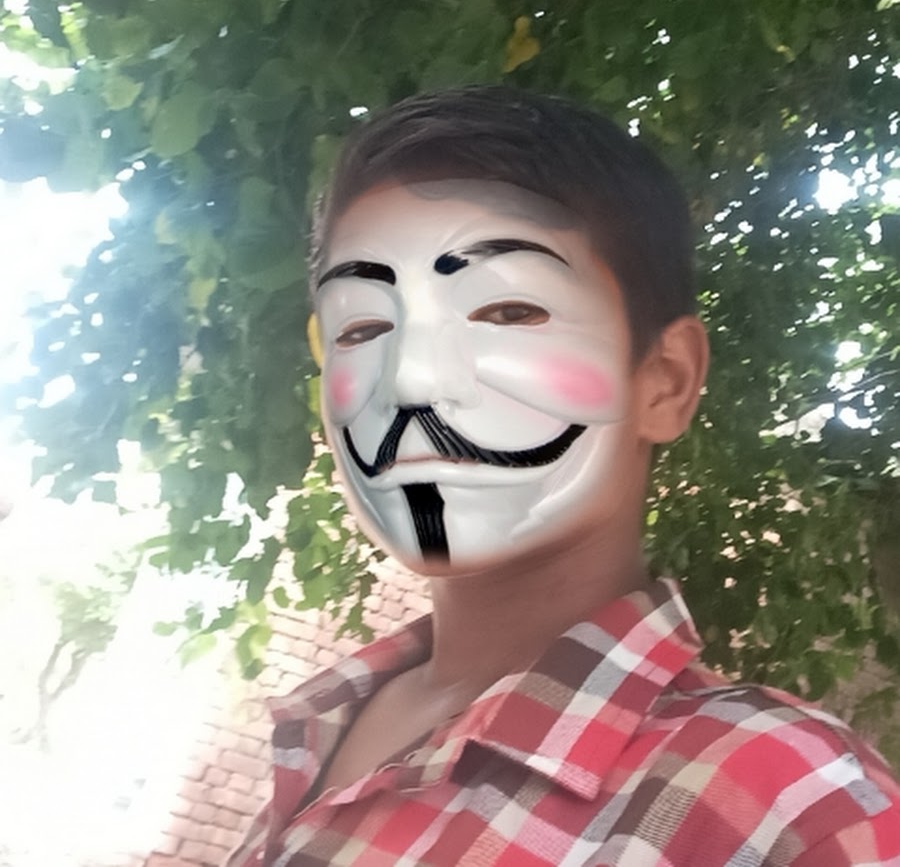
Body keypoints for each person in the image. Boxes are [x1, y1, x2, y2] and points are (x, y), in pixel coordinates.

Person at [227, 86, 900, 866]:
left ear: (666, 382)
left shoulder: (796, 805)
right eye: (362, 326)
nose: (408, 380)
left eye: (507, 312)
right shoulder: (315, 731)